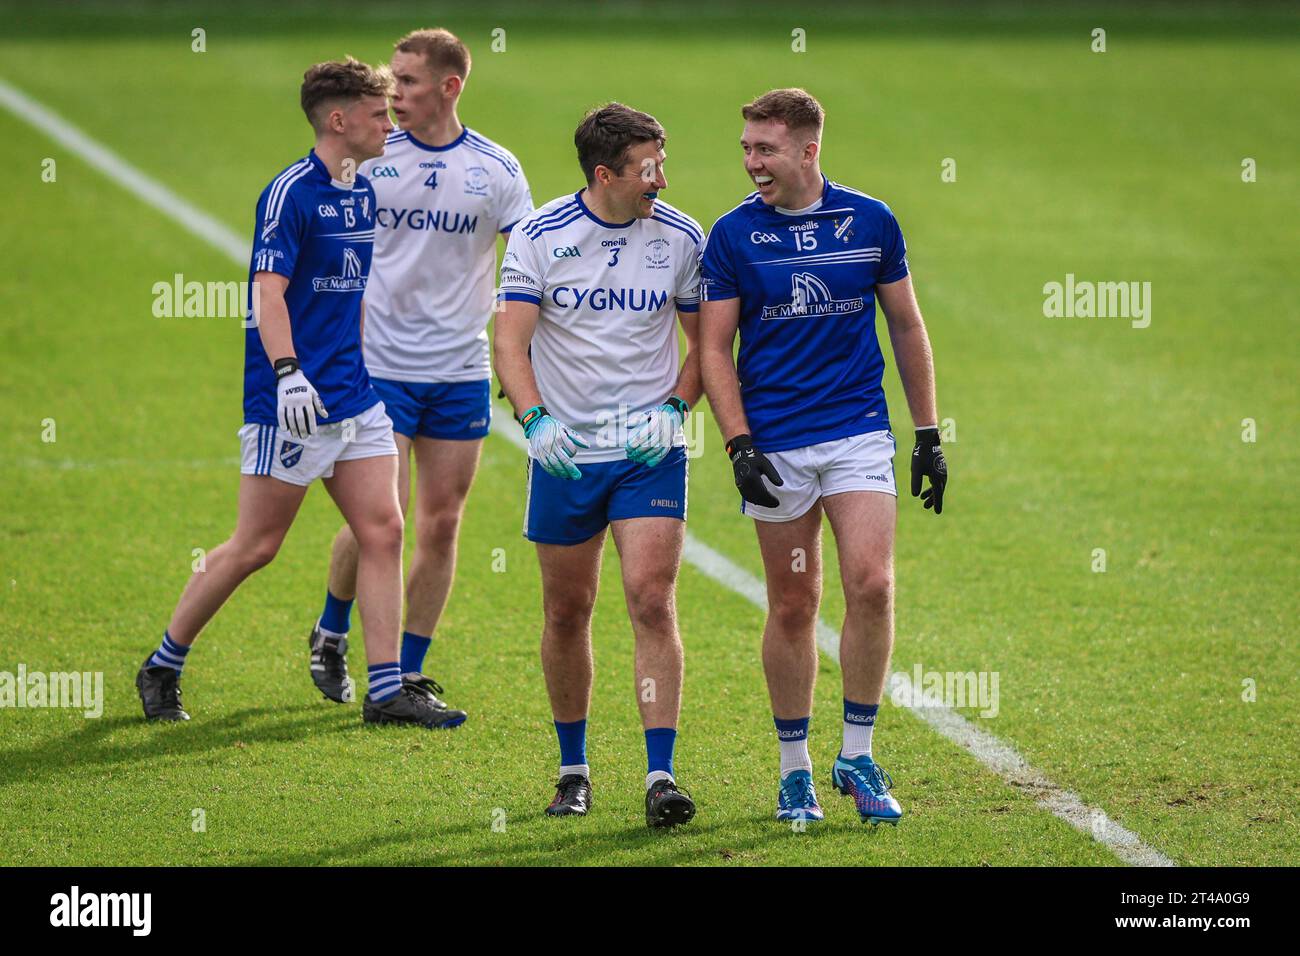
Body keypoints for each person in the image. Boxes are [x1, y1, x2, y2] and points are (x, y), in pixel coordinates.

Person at [137, 58, 447, 729]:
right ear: (339, 120)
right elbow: (267, 292)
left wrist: (360, 370)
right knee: (257, 546)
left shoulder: (363, 190)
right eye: (377, 114)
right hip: (292, 401)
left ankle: (386, 688)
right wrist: (287, 373)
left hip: (353, 397)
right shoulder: (290, 194)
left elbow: (352, 297)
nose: (389, 125)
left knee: (384, 527)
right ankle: (163, 664)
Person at [698, 88, 948, 825]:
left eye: (764, 149)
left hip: (856, 429)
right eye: (746, 148)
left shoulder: (870, 220)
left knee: (871, 585)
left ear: (808, 150)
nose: (751, 164)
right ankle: (794, 768)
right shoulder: (732, 236)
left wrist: (928, 433)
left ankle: (858, 754)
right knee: (795, 602)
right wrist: (738, 442)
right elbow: (713, 348)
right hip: (775, 440)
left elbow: (905, 325)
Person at [307, 29, 532, 728]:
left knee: (442, 523)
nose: (392, 93)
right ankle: (333, 630)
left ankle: (406, 670)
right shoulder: (371, 159)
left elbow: (526, 268)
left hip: (459, 371)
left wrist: (517, 355)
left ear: (449, 87)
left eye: (405, 82)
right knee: (384, 519)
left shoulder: (495, 170)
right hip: (376, 367)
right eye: (391, 81)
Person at [493, 103, 703, 828]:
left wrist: (676, 410)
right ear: (605, 173)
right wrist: (534, 420)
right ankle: (573, 769)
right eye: (650, 168)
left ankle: (660, 775)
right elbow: (510, 344)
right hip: (568, 456)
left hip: (648, 453)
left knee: (650, 598)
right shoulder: (541, 235)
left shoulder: (680, 238)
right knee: (566, 608)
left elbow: (708, 346)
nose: (663, 181)